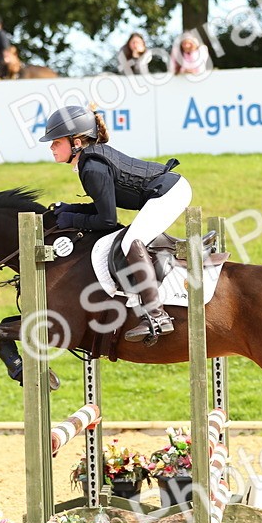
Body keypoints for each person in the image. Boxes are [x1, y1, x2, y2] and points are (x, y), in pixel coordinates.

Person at [39, 105, 191, 344]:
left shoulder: (92, 168)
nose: (51, 147)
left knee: (131, 241)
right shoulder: (89, 162)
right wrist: (72, 209)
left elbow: (108, 221)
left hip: (169, 192)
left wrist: (73, 219)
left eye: (56, 142)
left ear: (77, 142)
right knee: (132, 238)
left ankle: (156, 314)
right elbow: (103, 207)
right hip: (165, 190)